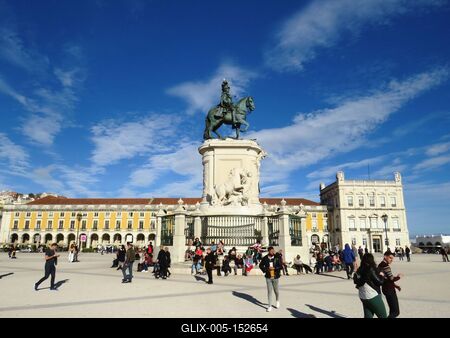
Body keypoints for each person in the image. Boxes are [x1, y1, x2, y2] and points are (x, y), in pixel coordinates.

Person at [353, 253, 387, 318]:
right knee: (383, 316)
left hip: (363, 296)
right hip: (372, 295)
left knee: (368, 316)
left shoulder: (359, 269)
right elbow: (379, 282)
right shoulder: (370, 269)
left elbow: (356, 281)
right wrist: (382, 275)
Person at [378, 251, 402, 318]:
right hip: (389, 290)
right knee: (396, 312)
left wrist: (395, 285)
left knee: (392, 310)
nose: (391, 260)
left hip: (386, 289)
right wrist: (399, 277)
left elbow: (387, 279)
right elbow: (391, 278)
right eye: (390, 258)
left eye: (392, 258)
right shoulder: (385, 266)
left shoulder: (380, 264)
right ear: (385, 256)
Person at [259, 246, 283, 312]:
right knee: (269, 291)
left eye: (273, 251)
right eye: (271, 251)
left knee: (276, 291)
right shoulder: (265, 258)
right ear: (268, 251)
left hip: (275, 276)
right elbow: (260, 265)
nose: (273, 252)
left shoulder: (277, 257)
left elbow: (281, 266)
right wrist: (265, 270)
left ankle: (277, 300)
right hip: (268, 277)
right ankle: (269, 306)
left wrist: (275, 268)